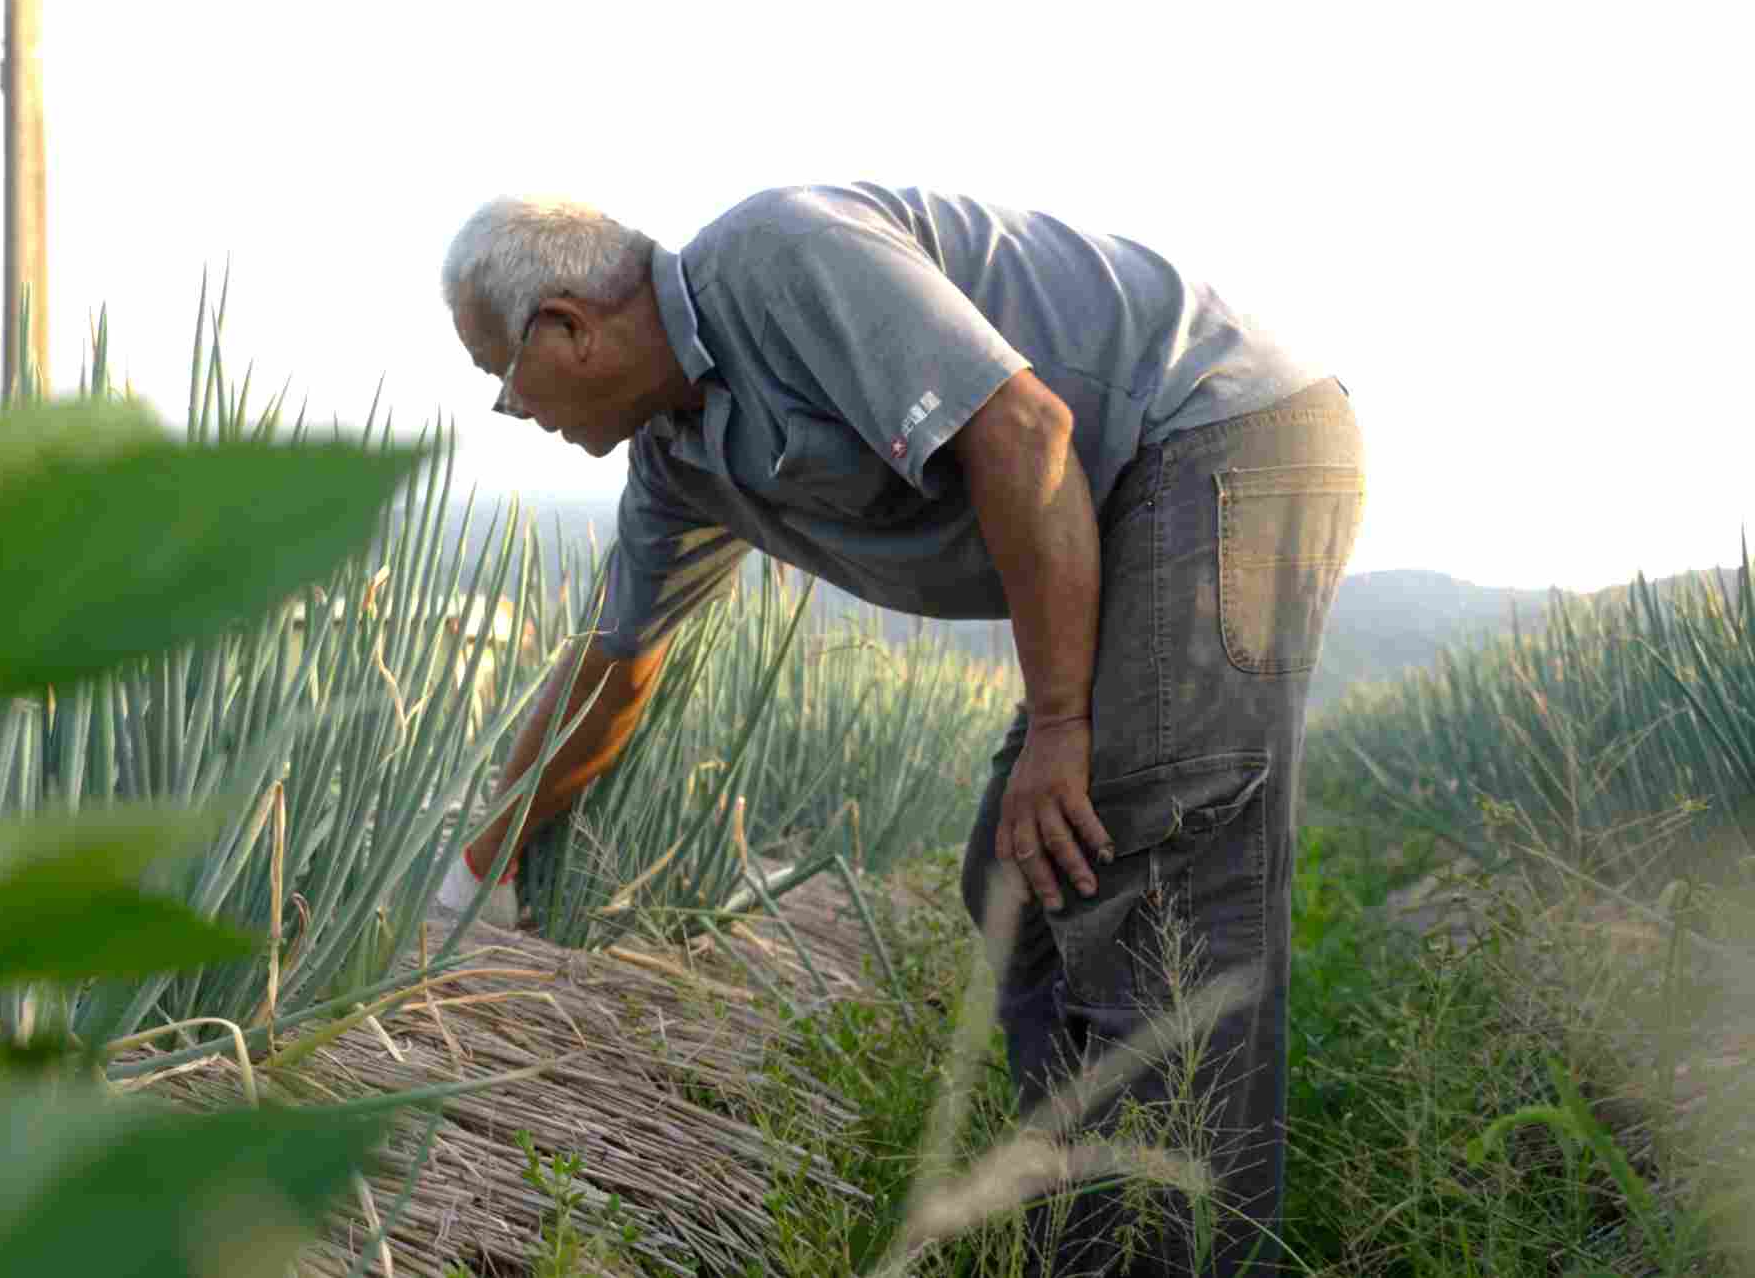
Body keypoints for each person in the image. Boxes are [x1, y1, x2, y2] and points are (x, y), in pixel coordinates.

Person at [432, 184, 1364, 1277]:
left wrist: (1063, 725)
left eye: (502, 381)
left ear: (566, 327)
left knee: (1146, 858)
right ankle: (1091, 1221)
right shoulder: (678, 462)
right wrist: (474, 877)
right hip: (1116, 508)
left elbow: (1026, 431)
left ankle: (1180, 1249)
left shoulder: (779, 256)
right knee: (1014, 881)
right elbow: (611, 673)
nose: (517, 410)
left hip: (1212, 435)